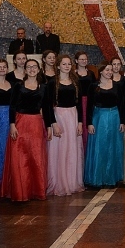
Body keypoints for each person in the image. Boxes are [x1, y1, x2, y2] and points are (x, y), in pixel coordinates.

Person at [1, 59, 50, 201]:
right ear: (25, 69)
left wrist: (49, 126)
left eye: (34, 67)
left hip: (36, 124)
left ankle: (36, 190)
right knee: (20, 158)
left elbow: (46, 108)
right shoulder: (18, 86)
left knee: (36, 157)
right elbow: (12, 106)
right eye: (29, 67)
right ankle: (20, 191)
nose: (32, 69)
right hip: (20, 122)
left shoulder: (44, 87)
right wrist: (12, 124)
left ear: (39, 69)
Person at [47, 55, 84, 196]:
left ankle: (71, 181)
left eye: (69, 64)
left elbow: (79, 104)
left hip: (73, 116)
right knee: (59, 150)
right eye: (64, 64)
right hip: (59, 116)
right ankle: (59, 182)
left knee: (72, 149)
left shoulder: (75, 81)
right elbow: (48, 105)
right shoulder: (52, 83)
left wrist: (80, 122)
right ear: (58, 66)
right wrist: (53, 123)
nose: (67, 66)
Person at [84, 63, 125, 187]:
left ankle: (113, 176)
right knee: (100, 147)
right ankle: (98, 176)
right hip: (99, 118)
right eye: (107, 70)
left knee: (114, 146)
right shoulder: (93, 86)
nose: (109, 72)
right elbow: (89, 105)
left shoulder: (117, 86)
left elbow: (122, 104)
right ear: (100, 71)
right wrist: (89, 123)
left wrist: (123, 121)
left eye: (111, 70)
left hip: (114, 117)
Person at [75, 51, 96, 151]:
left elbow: (96, 88)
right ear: (76, 61)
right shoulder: (73, 74)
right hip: (77, 103)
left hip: (89, 102)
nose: (84, 61)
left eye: (85, 59)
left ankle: (88, 147)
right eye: (81, 59)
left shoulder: (91, 74)